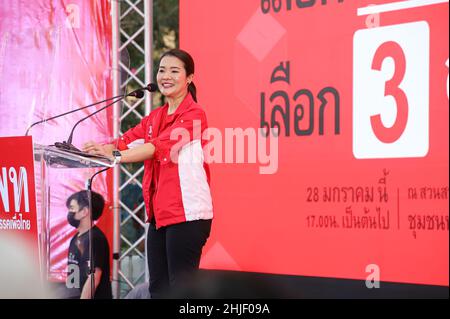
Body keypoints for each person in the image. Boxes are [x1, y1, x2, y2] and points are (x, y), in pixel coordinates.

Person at [83, 49, 213, 298]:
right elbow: (125, 142)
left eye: (175, 71)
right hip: (160, 215)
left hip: (189, 214)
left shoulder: (195, 115)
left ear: (189, 78)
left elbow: (157, 147)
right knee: (158, 290)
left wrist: (115, 155)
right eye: (162, 70)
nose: (166, 76)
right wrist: (99, 149)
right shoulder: (155, 117)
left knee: (181, 291)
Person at [66, 190, 112, 299]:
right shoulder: (75, 239)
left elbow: (94, 277)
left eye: (72, 208)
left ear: (85, 211)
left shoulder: (95, 239)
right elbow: (73, 279)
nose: (69, 212)